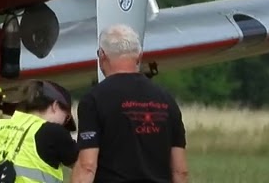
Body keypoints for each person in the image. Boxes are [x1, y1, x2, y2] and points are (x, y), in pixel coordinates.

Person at [72, 24, 188, 183]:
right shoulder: (166, 100)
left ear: (102, 55)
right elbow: (180, 171)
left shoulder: (93, 100)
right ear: (139, 56)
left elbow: (87, 166)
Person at [0, 79, 79, 183]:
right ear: (55, 106)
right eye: (66, 118)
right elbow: (86, 165)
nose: (63, 125)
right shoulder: (53, 132)